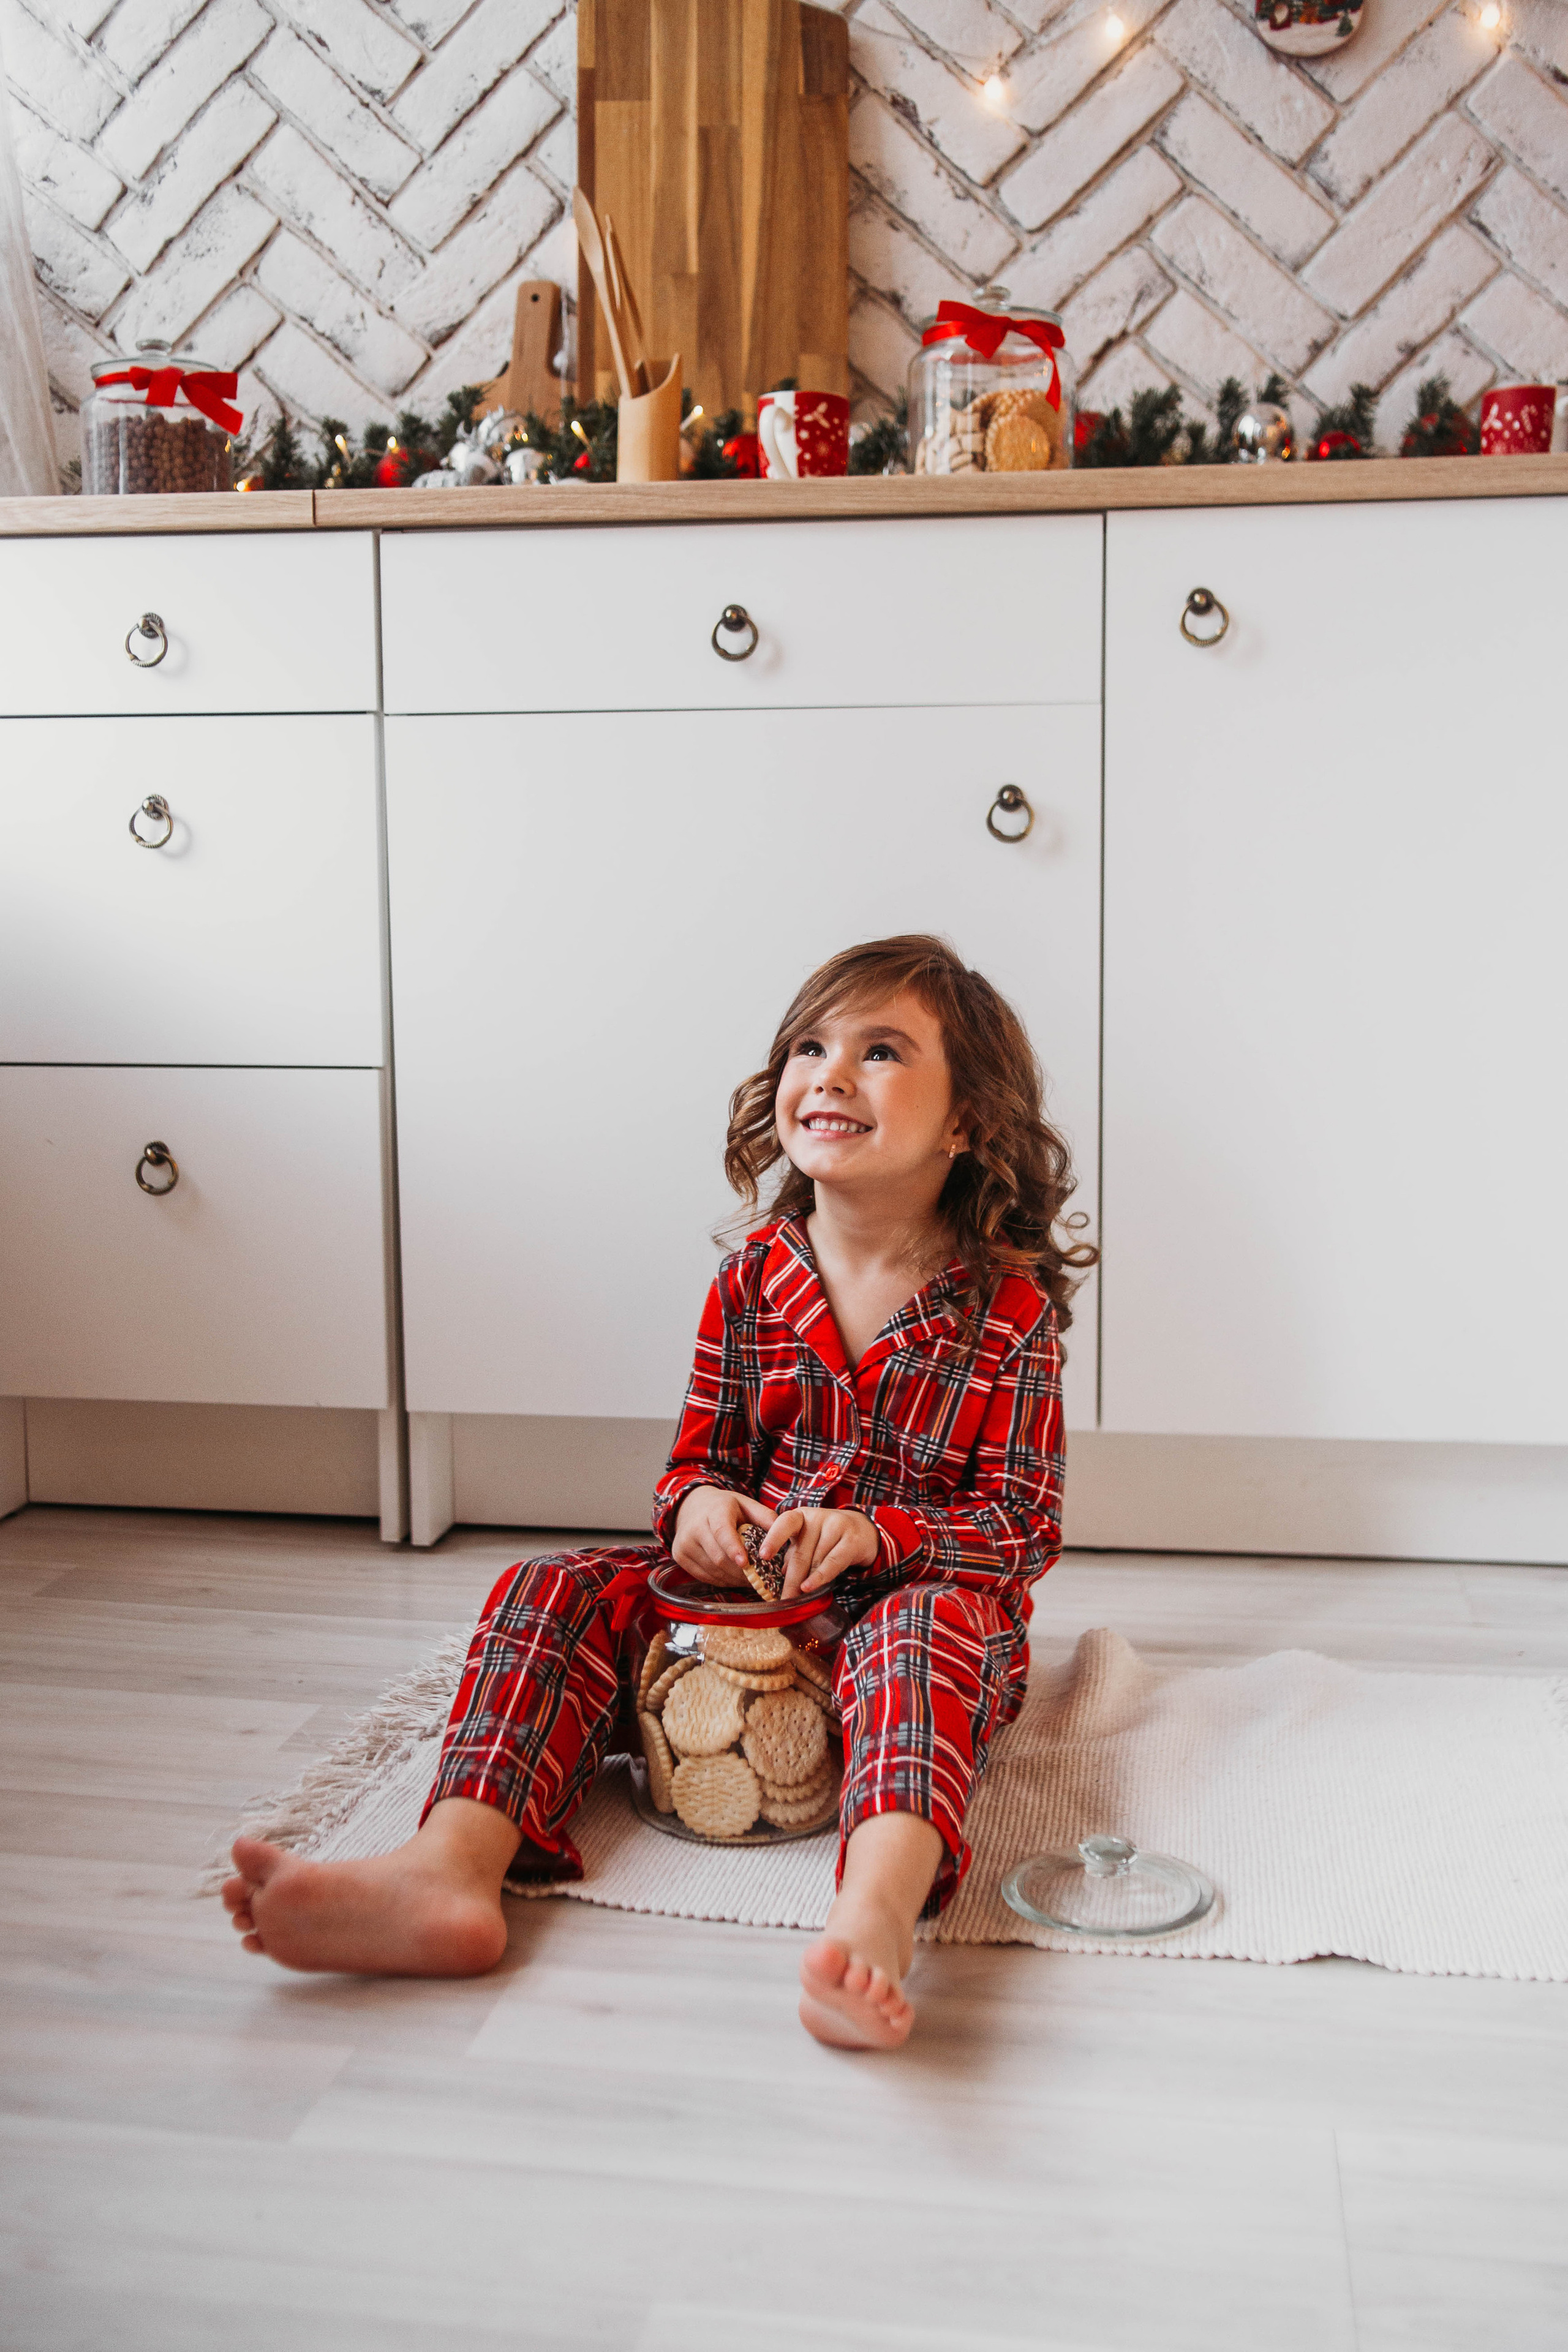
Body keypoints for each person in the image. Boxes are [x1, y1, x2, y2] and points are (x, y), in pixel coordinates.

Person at [224, 934, 1095, 2049]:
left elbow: (1021, 1531)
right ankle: (449, 1869)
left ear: (968, 1121)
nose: (828, 1072)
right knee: (552, 1588)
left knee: (916, 1638)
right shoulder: (750, 1282)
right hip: (738, 1616)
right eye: (809, 1046)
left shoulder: (1005, 1313)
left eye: (881, 1051)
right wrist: (696, 1512)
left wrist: (878, 1537)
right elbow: (696, 1466)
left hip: (917, 1612)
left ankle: (873, 1918)